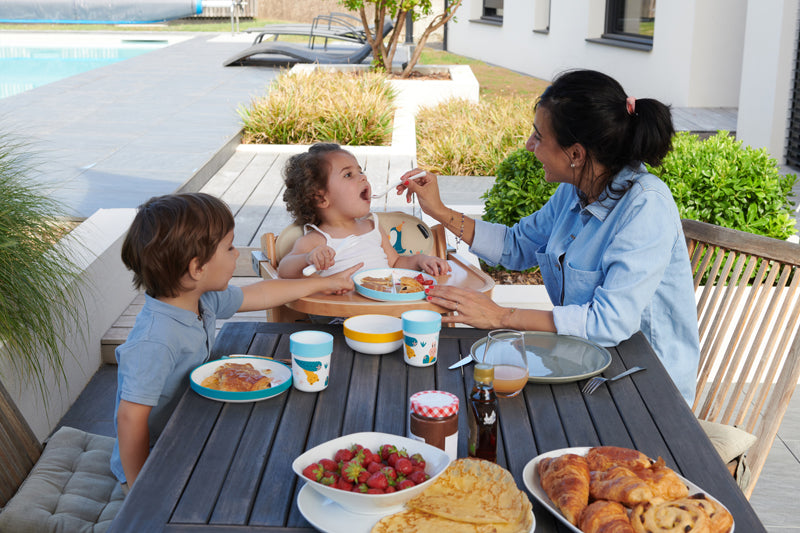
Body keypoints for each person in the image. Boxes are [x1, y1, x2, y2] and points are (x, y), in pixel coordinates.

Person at [399, 69, 700, 404]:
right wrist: (439, 211)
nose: (530, 146)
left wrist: (501, 317)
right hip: (582, 365)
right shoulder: (579, 188)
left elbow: (608, 323)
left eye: (539, 137)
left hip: (643, 386)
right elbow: (516, 246)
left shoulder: (645, 206)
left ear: (575, 154)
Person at [110, 192, 361, 491]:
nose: (236, 254)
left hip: (192, 425)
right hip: (156, 458)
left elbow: (262, 293)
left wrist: (325, 282)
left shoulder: (201, 298)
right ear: (196, 268)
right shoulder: (155, 341)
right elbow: (129, 419)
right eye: (229, 247)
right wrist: (139, 487)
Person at [278, 142, 450, 279]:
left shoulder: (372, 227)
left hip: (384, 309)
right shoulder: (316, 240)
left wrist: (421, 260)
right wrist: (308, 258)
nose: (363, 177)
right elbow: (284, 269)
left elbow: (396, 263)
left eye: (360, 171)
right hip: (340, 317)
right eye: (348, 175)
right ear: (320, 198)